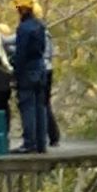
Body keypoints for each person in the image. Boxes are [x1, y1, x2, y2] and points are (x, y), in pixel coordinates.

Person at [11, 0, 47, 153]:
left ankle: (29, 143)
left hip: (27, 72)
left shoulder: (24, 28)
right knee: (40, 106)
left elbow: (21, 53)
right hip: (40, 69)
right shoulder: (40, 25)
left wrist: (15, 72)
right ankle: (41, 143)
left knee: (27, 107)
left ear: (21, 8)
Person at [41, 13, 60, 147]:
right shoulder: (46, 34)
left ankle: (51, 135)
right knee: (45, 104)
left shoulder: (37, 33)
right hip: (48, 68)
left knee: (42, 104)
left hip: (41, 70)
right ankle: (53, 135)